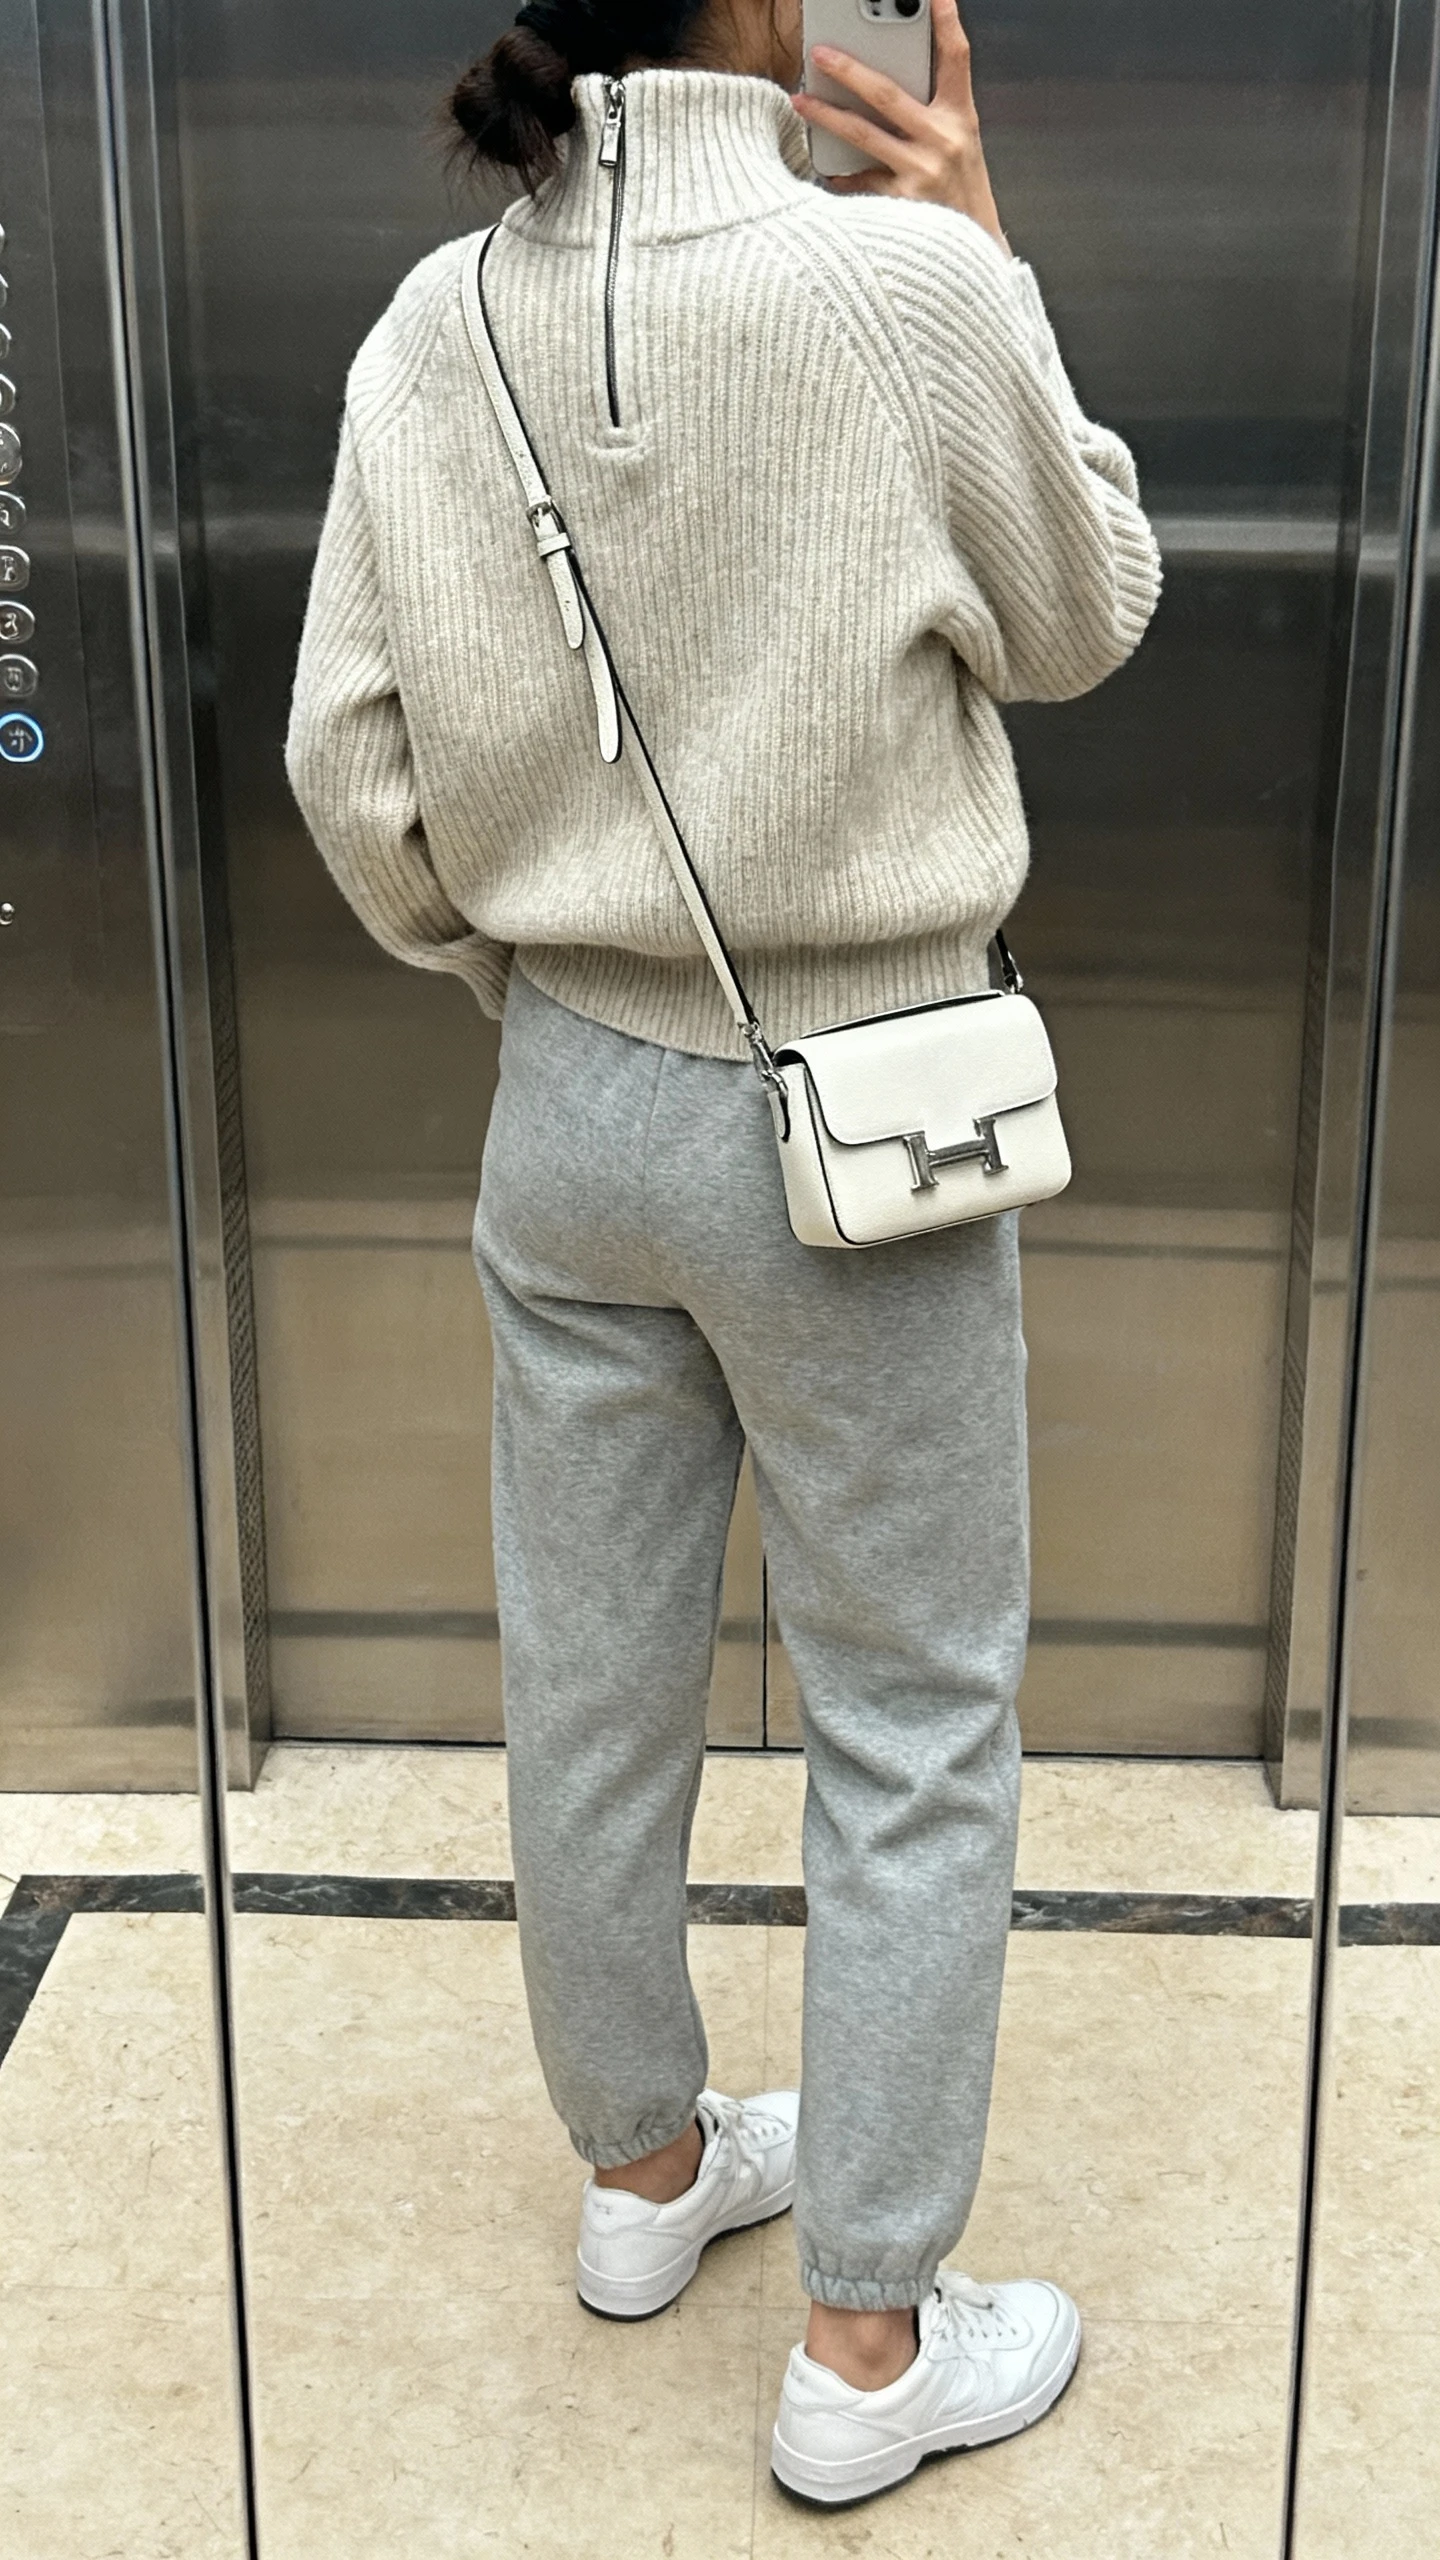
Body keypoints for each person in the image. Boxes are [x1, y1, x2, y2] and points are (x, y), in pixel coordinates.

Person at [285, 0, 1161, 2508]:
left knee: (588, 1681)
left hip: (568, 1105)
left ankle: (645, 2172)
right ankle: (868, 2338)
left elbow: (350, 763)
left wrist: (544, 993)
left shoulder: (433, 322)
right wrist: (990, 247)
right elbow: (1086, 612)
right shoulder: (909, 288)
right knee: (910, 1708)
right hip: (859, 1118)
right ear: (768, 8)